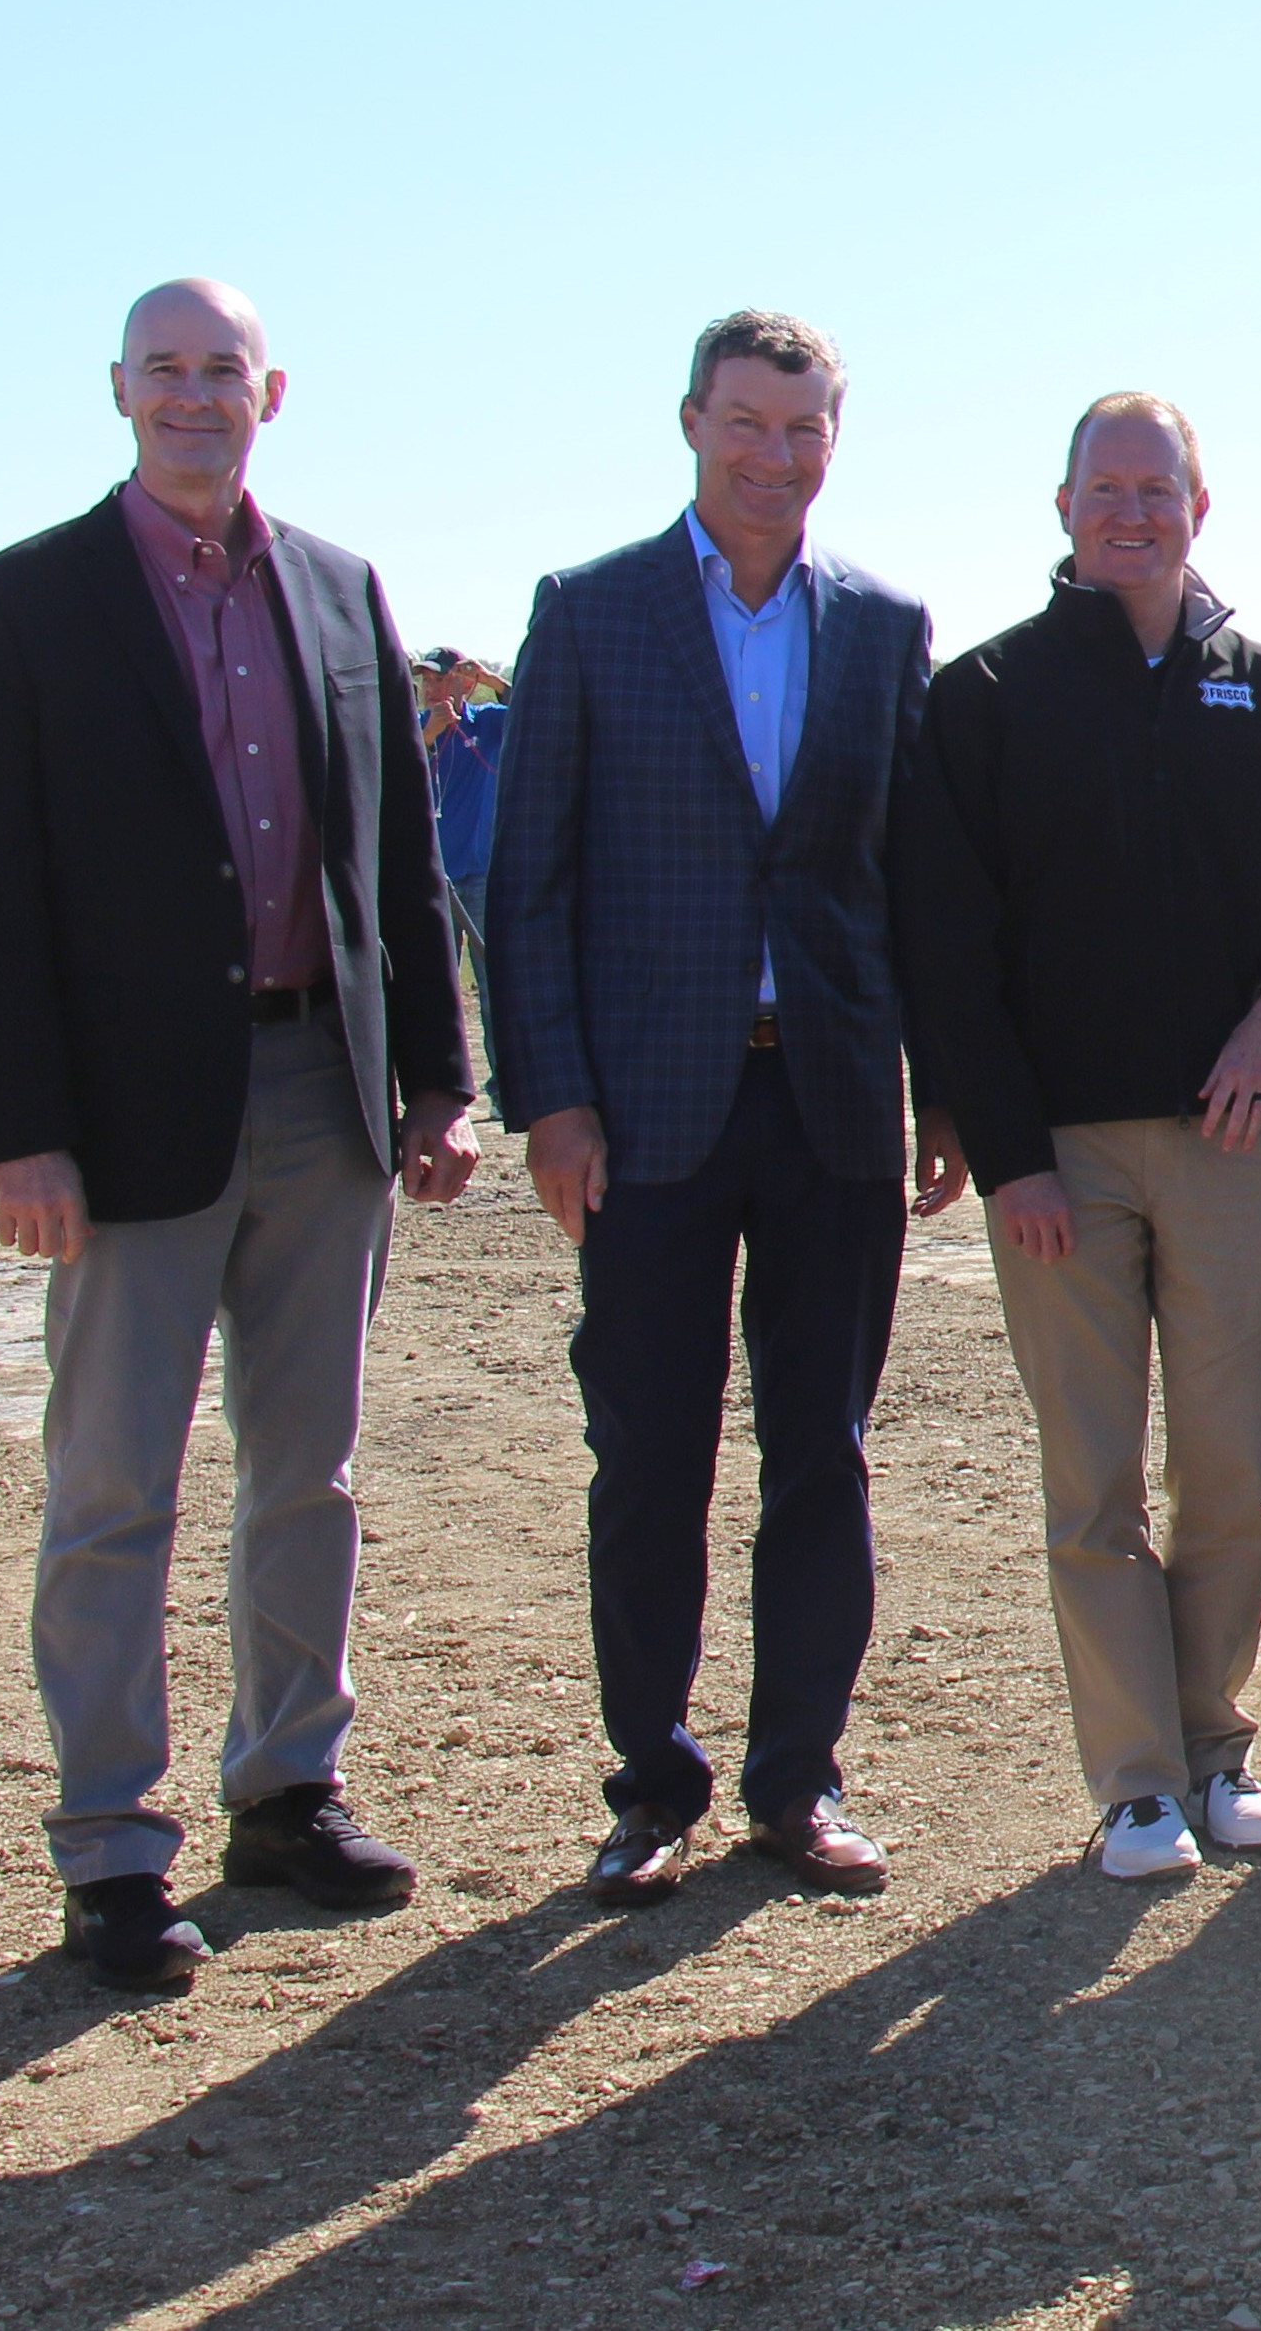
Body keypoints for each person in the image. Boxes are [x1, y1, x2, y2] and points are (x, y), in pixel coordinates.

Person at [0, 279, 479, 1986]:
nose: (192, 396)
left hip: (325, 1088)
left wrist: (437, 1077)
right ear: (117, 391)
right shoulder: (21, 605)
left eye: (220, 370)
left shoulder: (338, 588)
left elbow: (398, 854)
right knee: (114, 1483)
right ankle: (109, 1844)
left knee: (304, 1472)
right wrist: (21, 1130)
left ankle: (286, 1789)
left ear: (271, 391)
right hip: (122, 1112)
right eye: (164, 370)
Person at [486, 309, 967, 1906]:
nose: (773, 456)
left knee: (820, 1455)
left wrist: (945, 1094)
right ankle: (652, 1785)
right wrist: (550, 1098)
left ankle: (797, 1781)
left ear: (838, 440)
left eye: (803, 429)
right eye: (746, 424)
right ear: (691, 423)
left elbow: (914, 886)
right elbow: (528, 881)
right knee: (651, 1458)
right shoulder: (593, 612)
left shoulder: (883, 626)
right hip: (648, 1117)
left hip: (829, 1105)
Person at [899, 393, 1261, 1879]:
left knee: (1230, 1466)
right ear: (1063, 509)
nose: (1133, 513)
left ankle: (1218, 1745)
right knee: (1089, 1478)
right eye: (1107, 490)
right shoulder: (982, 697)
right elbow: (947, 941)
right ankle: (1137, 1781)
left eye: (1157, 489)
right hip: (1062, 1164)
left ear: (1199, 506)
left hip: (1230, 1141)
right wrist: (1009, 1146)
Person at [415, 648, 510, 1044]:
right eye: (428, 680)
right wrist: (428, 736)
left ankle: (504, 1090)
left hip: (481, 875)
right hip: (430, 879)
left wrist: (493, 682)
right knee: (433, 990)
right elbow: (386, 772)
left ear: (463, 681)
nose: (434, 688)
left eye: (442, 678)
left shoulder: (487, 724)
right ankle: (444, 1087)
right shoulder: (414, 726)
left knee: (495, 988)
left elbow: (539, 707)